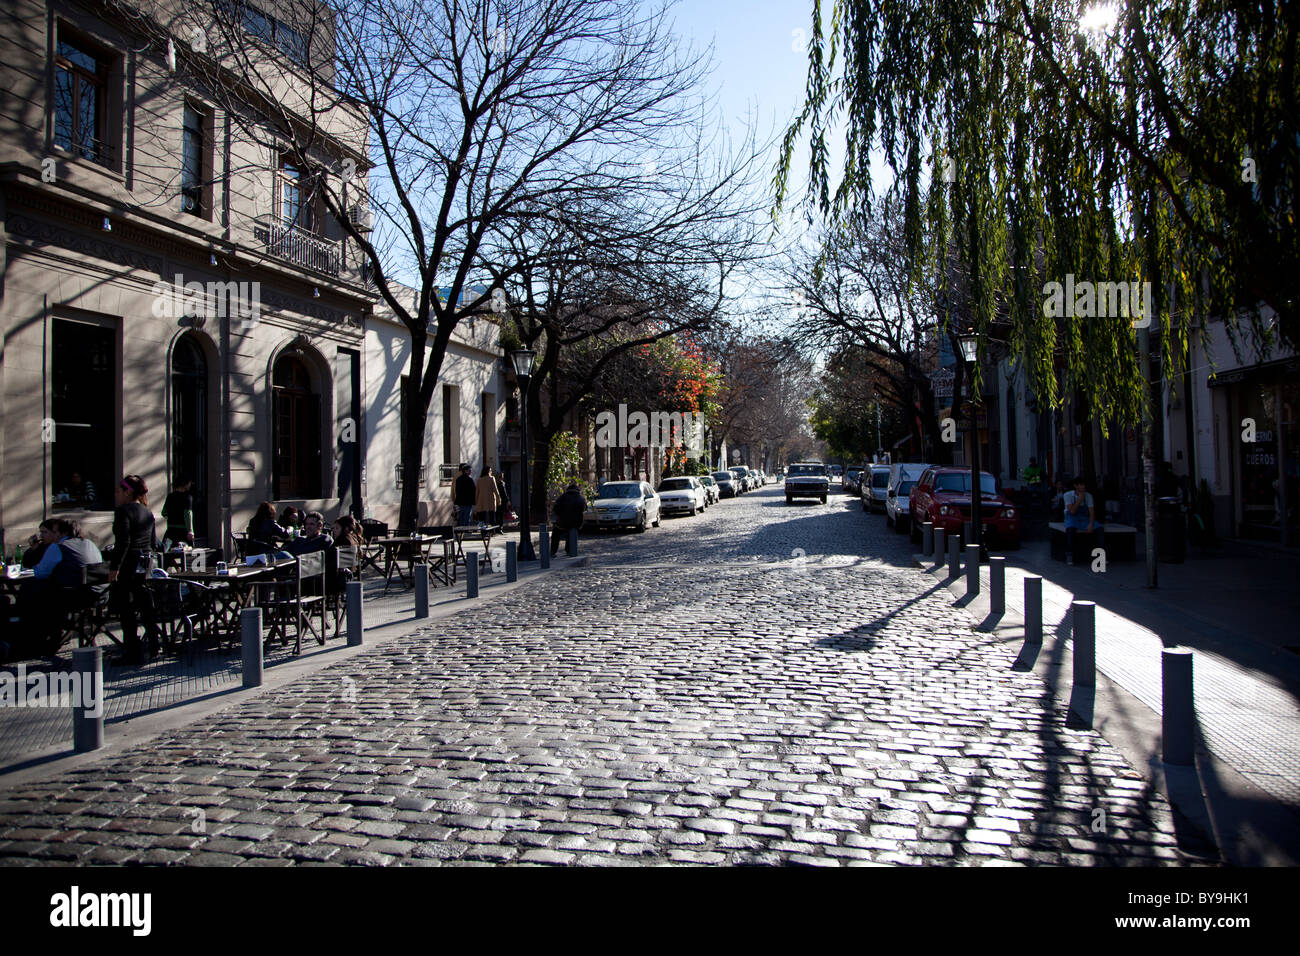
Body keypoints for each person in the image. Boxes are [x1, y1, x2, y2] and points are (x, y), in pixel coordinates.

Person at [108, 474, 160, 664]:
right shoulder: (147, 512)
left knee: (126, 609)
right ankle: (154, 645)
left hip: (130, 564)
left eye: (118, 491)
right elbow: (153, 542)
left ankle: (132, 650)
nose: (116, 494)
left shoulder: (123, 511)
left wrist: (115, 568)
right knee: (147, 608)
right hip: (146, 563)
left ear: (128, 492)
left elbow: (123, 542)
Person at [1063, 475, 1103, 565]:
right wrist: (1079, 499)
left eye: (1084, 485)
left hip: (1084, 518)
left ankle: (1100, 555)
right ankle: (1069, 555)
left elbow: (1091, 512)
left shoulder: (1088, 496)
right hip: (1072, 517)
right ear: (1076, 486)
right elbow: (1072, 511)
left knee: (1100, 529)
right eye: (1081, 485)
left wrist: (1091, 524)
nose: (1083, 487)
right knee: (1070, 530)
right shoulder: (1068, 495)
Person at [551, 483, 586, 556]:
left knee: (556, 533)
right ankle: (569, 550)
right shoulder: (581, 498)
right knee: (571, 531)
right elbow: (584, 508)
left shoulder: (562, 497)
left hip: (562, 523)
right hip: (576, 523)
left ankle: (553, 551)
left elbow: (555, 508)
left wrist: (560, 515)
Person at [161, 477, 195, 547]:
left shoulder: (170, 496)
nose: (190, 485)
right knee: (187, 554)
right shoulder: (188, 497)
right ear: (184, 484)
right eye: (189, 483)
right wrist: (190, 531)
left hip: (171, 531)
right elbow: (188, 514)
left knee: (168, 552)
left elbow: (164, 512)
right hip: (183, 531)